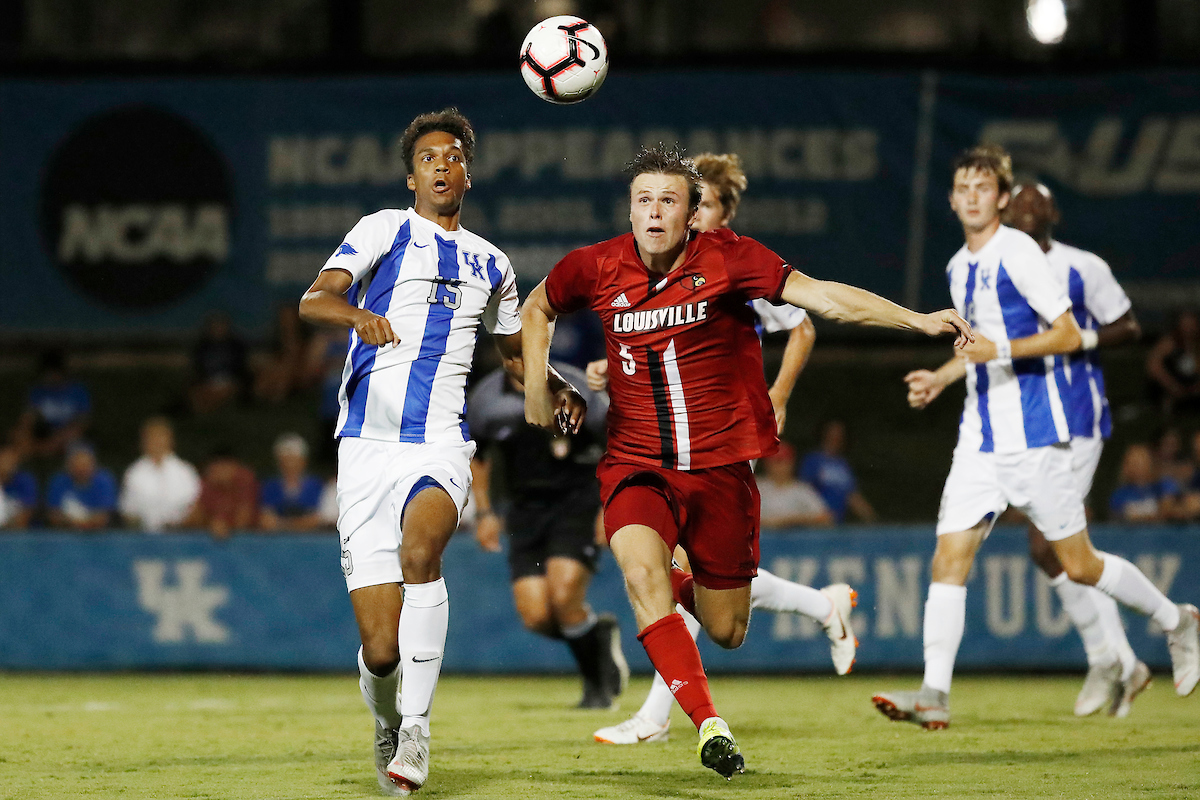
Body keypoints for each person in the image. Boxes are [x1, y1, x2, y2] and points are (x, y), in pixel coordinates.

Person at [522, 143, 971, 777]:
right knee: (641, 575)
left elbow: (824, 300)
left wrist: (918, 322)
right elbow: (534, 306)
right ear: (630, 210)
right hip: (636, 462)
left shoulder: (730, 259)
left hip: (720, 469)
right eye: (643, 201)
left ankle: (812, 607)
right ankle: (710, 726)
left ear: (691, 212)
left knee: (725, 627)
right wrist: (544, 387)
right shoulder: (595, 265)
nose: (654, 213)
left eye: (668, 202)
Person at [297, 108, 584, 796]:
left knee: (422, 555)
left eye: (454, 156)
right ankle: (390, 722)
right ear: (411, 174)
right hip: (366, 449)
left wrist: (557, 383)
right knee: (380, 648)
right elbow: (314, 299)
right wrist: (357, 314)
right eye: (429, 158)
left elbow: (515, 355)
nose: (443, 166)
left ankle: (419, 730)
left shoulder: (492, 262)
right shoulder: (382, 230)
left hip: (441, 443)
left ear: (469, 173)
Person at [874, 146, 1199, 731]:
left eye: (983, 187)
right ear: (951, 200)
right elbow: (979, 344)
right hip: (980, 437)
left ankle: (1177, 621)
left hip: (1038, 432)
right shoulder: (955, 266)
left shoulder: (1019, 252)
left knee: (1078, 564)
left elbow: (1069, 334)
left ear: (999, 198)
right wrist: (943, 376)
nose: (972, 196)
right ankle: (934, 694)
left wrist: (998, 351)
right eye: (962, 187)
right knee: (948, 559)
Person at [587, 151, 858, 748]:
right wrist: (615, 366)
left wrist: (779, 395)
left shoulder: (732, 266)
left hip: (722, 436)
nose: (687, 213)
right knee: (675, 572)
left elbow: (806, 323)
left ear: (720, 212)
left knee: (687, 577)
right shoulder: (665, 269)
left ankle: (659, 715)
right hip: (669, 441)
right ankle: (819, 607)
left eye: (700, 203)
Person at [912, 180, 1151, 717]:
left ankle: (1124, 653)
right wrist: (944, 377)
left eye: (1033, 202)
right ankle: (1118, 659)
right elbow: (984, 345)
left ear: (1053, 213)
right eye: (1017, 200)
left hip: (1073, 416)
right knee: (1048, 551)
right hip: (1008, 422)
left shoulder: (1080, 266)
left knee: (1059, 549)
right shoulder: (982, 264)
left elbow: (1127, 326)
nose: (1023, 208)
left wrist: (1080, 339)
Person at [467, 362, 629, 710]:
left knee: (564, 592)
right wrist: (483, 512)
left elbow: (614, 444)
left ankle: (597, 688)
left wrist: (609, 505)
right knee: (537, 615)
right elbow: (477, 456)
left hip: (578, 501)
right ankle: (594, 636)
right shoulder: (488, 398)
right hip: (525, 509)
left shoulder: (578, 386)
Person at [120, 417, 201, 532]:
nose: (156, 441)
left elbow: (196, 507)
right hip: (145, 539)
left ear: (171, 440)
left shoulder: (186, 472)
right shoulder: (134, 473)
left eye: (160, 436)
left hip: (180, 537)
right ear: (143, 442)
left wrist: (178, 526)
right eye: (151, 437)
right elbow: (128, 511)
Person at [13, 349, 91, 460]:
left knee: (78, 449)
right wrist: (25, 439)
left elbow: (81, 425)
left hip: (69, 439)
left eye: (53, 373)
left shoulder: (78, 391)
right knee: (19, 441)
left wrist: (54, 442)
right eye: (47, 373)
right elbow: (27, 420)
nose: (50, 377)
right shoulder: (38, 391)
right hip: (43, 435)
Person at [799, 420, 877, 523]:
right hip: (816, 524)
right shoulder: (813, 460)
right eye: (833, 433)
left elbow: (852, 496)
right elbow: (803, 490)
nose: (836, 437)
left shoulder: (843, 464)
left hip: (837, 524)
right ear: (825, 434)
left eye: (839, 434)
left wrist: (872, 519)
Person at [186, 447, 259, 539]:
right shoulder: (205, 484)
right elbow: (194, 516)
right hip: (208, 539)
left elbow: (244, 518)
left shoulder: (246, 481)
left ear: (233, 466)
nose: (218, 471)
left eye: (222, 467)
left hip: (248, 542)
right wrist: (211, 523)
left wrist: (225, 525)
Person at [259, 433, 326, 531]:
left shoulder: (316, 486)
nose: (289, 464)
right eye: (285, 459)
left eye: (293, 459)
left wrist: (282, 523)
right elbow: (266, 521)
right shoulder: (270, 487)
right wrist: (300, 523)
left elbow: (317, 520)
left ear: (303, 461)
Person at [757, 443, 833, 529]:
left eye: (783, 461)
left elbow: (827, 518)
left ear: (791, 463)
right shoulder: (757, 488)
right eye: (775, 461)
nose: (779, 466)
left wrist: (792, 520)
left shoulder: (802, 489)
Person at [189, 312, 251, 415]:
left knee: (223, 393)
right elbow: (197, 369)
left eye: (221, 325)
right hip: (208, 382)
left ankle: (209, 410)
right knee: (195, 394)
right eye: (215, 325)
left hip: (229, 383)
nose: (218, 328)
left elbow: (241, 369)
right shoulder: (202, 347)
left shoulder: (236, 346)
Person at [45, 442, 117, 530]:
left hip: (97, 536)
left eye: (85, 464)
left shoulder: (104, 481)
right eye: (77, 463)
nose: (81, 469)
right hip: (64, 535)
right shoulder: (58, 481)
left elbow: (103, 518)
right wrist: (78, 523)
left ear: (93, 464)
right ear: (68, 465)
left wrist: (80, 523)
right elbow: (53, 516)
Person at [1109, 443, 1183, 522]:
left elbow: (1173, 510)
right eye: (1134, 463)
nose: (1139, 467)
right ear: (1126, 467)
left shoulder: (1165, 486)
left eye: (1142, 461)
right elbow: (1124, 517)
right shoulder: (1119, 495)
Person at [1146, 310, 1200, 416]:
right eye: (1185, 325)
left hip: (1190, 386)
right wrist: (1172, 386)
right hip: (1169, 385)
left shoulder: (1196, 344)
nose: (1189, 329)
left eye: (1192, 325)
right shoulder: (1169, 343)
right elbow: (1153, 366)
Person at [0, 442, 38, 529]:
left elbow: (23, 519)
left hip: (20, 536)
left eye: (11, 458)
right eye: (4, 458)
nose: (7, 463)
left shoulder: (26, 481)